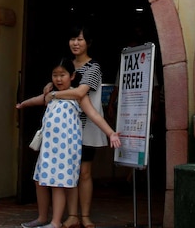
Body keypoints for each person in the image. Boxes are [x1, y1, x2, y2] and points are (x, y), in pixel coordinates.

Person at [16, 57, 120, 228]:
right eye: (55, 75)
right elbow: (37, 99)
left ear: (72, 76)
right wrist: (23, 104)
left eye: (62, 75)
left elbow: (94, 115)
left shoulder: (77, 95)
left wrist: (111, 133)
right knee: (40, 181)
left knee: (58, 185)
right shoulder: (50, 95)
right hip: (48, 149)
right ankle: (42, 217)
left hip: (66, 151)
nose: (58, 79)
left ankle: (55, 222)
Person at [43, 25, 106, 228]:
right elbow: (56, 86)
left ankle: (85, 215)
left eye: (80, 39)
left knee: (84, 172)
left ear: (88, 42)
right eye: (72, 39)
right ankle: (72, 216)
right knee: (70, 172)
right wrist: (49, 88)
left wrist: (52, 94)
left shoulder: (93, 67)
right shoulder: (66, 65)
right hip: (65, 128)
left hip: (86, 126)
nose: (76, 43)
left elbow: (80, 93)